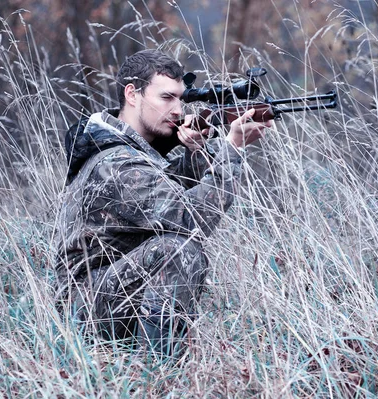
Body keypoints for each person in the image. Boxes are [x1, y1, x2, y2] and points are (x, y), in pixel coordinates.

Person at [54, 49, 271, 356]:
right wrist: (231, 151)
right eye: (166, 98)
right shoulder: (117, 164)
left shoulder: (127, 149)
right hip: (82, 311)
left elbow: (160, 198)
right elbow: (192, 222)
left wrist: (196, 155)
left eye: (181, 99)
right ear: (133, 94)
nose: (178, 110)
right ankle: (161, 368)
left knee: (175, 247)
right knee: (180, 250)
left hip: (104, 290)